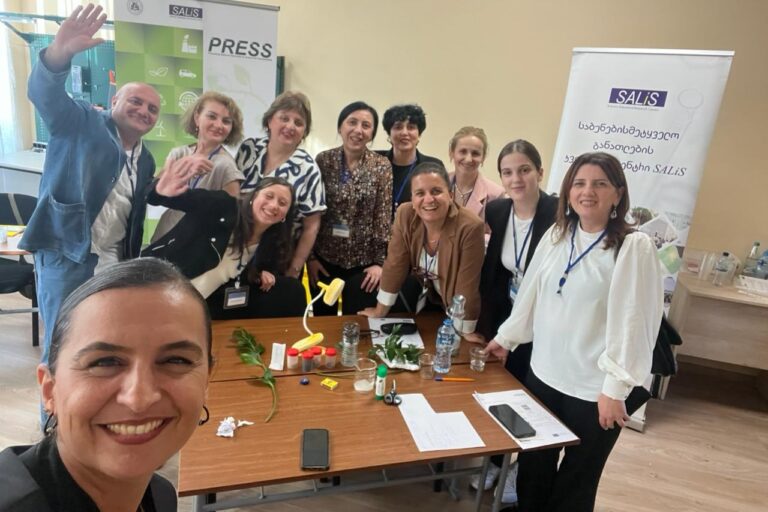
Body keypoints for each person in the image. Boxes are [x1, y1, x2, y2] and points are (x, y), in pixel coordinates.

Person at [485, 152, 663, 512]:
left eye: (600, 184)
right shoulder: (558, 233)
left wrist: (615, 388)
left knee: (577, 478)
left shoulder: (633, 247)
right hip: (544, 374)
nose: (587, 192)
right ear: (568, 191)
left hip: (594, 389)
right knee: (534, 466)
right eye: (579, 183)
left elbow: (636, 322)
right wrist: (506, 338)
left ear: (618, 193)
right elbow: (530, 294)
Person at [0, 258, 212, 511]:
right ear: (49, 390)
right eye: (104, 362)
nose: (139, 398)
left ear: (207, 381)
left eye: (176, 360)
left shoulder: (160, 494)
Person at [19, 4, 160, 364]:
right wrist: (58, 54)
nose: (144, 111)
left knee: (103, 345)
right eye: (136, 101)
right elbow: (44, 94)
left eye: (152, 109)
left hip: (114, 261)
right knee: (61, 348)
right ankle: (54, 403)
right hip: (66, 255)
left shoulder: (146, 159)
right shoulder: (80, 121)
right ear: (114, 101)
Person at [472, 140, 559, 502]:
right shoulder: (496, 210)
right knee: (500, 387)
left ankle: (519, 467)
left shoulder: (559, 212)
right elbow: (494, 273)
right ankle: (496, 460)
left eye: (524, 170)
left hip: (544, 317)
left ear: (540, 172)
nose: (516, 179)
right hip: (508, 310)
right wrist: (485, 326)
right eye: (507, 172)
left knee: (529, 392)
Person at [142, 157, 306, 319]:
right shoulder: (224, 206)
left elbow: (248, 274)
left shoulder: (272, 245)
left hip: (196, 310)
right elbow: (180, 198)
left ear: (285, 215)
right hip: (158, 287)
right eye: (269, 196)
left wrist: (261, 274)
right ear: (254, 197)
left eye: (282, 203)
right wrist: (161, 191)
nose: (274, 205)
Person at [359, 162, 485, 343]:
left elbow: (467, 285)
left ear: (450, 195)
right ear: (412, 198)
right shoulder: (405, 214)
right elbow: (395, 264)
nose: (428, 199)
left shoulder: (470, 226)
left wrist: (464, 331)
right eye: (420, 193)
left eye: (436, 191)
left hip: (463, 306)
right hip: (432, 301)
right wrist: (380, 311)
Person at [310, 102, 392, 314]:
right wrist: (311, 258)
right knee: (322, 319)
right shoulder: (323, 160)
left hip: (364, 264)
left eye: (366, 125)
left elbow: (383, 217)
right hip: (325, 258)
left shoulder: (381, 165)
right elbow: (312, 212)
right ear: (340, 127)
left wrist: (380, 263)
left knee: (356, 321)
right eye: (352, 122)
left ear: (372, 133)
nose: (358, 130)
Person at [236, 91, 326, 279]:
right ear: (269, 120)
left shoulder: (308, 169)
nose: (290, 126)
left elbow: (311, 226)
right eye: (284, 118)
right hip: (235, 248)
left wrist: (294, 269)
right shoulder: (249, 148)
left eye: (298, 123)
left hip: (276, 259)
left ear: (304, 132)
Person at [151, 91, 245, 241]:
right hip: (163, 236)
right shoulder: (179, 153)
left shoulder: (226, 165)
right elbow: (154, 192)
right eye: (212, 116)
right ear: (197, 118)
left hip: (194, 244)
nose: (218, 125)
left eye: (226, 121)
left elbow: (231, 214)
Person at [376, 104, 444, 213]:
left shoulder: (433, 166)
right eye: (398, 127)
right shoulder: (375, 162)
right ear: (389, 133)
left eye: (411, 127)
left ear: (419, 134)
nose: (404, 133)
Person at [447, 126, 504, 222]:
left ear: (483, 158)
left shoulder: (495, 195)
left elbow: (496, 231)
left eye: (475, 153)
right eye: (463, 152)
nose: (468, 159)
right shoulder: (437, 186)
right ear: (452, 153)